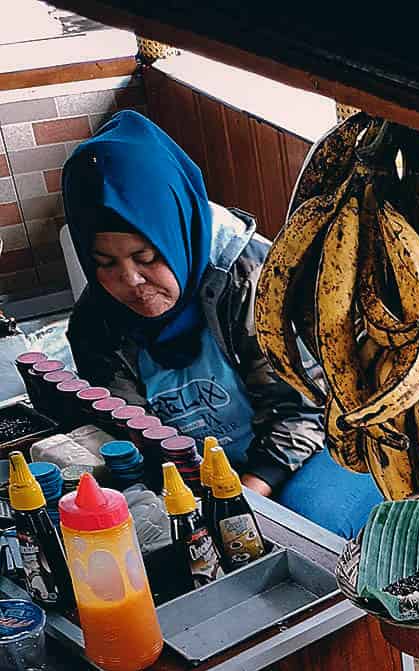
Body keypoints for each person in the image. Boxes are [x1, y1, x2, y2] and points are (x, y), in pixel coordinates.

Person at [63, 110, 381, 537]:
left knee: (302, 526)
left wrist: (242, 495)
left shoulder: (254, 281)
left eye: (147, 258)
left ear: (177, 234)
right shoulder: (95, 320)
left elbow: (303, 407)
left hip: (312, 444)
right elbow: (127, 428)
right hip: (203, 469)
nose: (131, 281)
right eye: (105, 264)